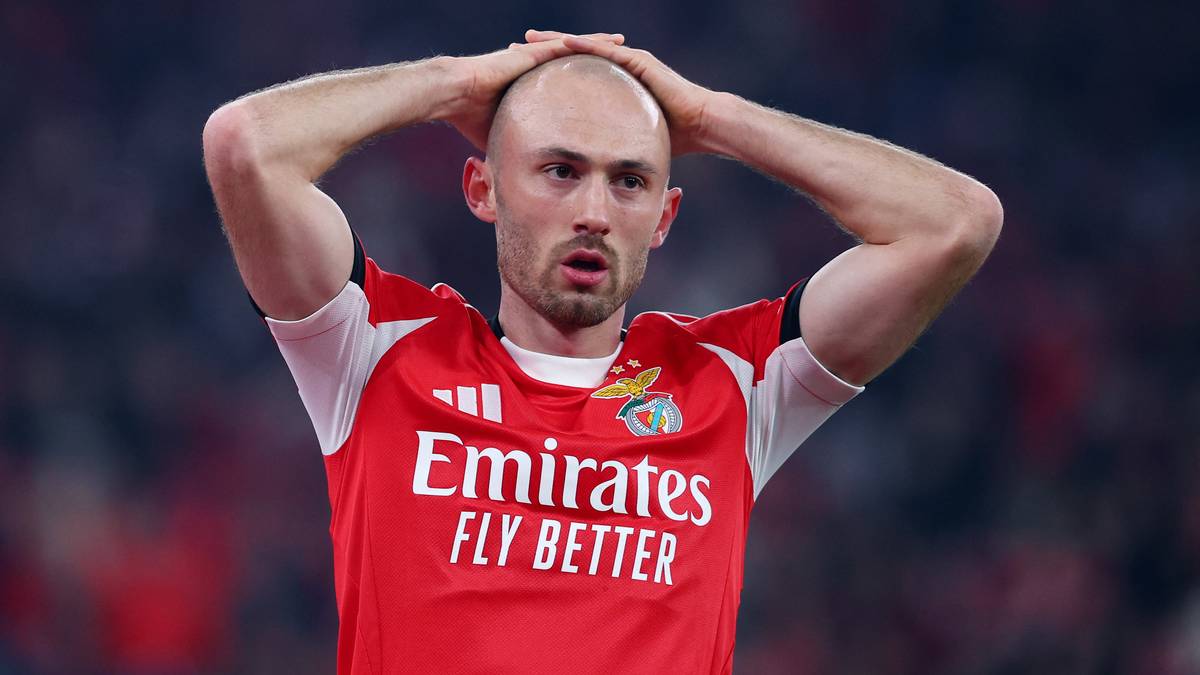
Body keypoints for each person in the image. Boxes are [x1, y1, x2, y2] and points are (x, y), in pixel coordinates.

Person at [202, 29, 1002, 675]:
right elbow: (245, 144)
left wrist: (714, 117)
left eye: (630, 181)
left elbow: (955, 223)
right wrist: (453, 83)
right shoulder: (377, 351)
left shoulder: (734, 382)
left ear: (665, 216)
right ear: (482, 188)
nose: (594, 210)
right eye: (560, 170)